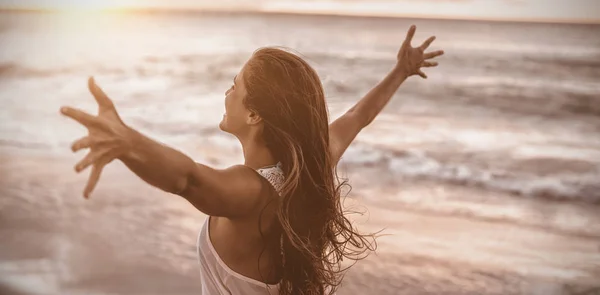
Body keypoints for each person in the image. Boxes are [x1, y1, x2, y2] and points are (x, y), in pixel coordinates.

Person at [60, 25, 443, 295]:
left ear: (255, 114)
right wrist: (400, 72)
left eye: (235, 85)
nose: (226, 92)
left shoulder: (251, 192)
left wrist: (129, 142)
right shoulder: (312, 166)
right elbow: (358, 116)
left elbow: (187, 179)